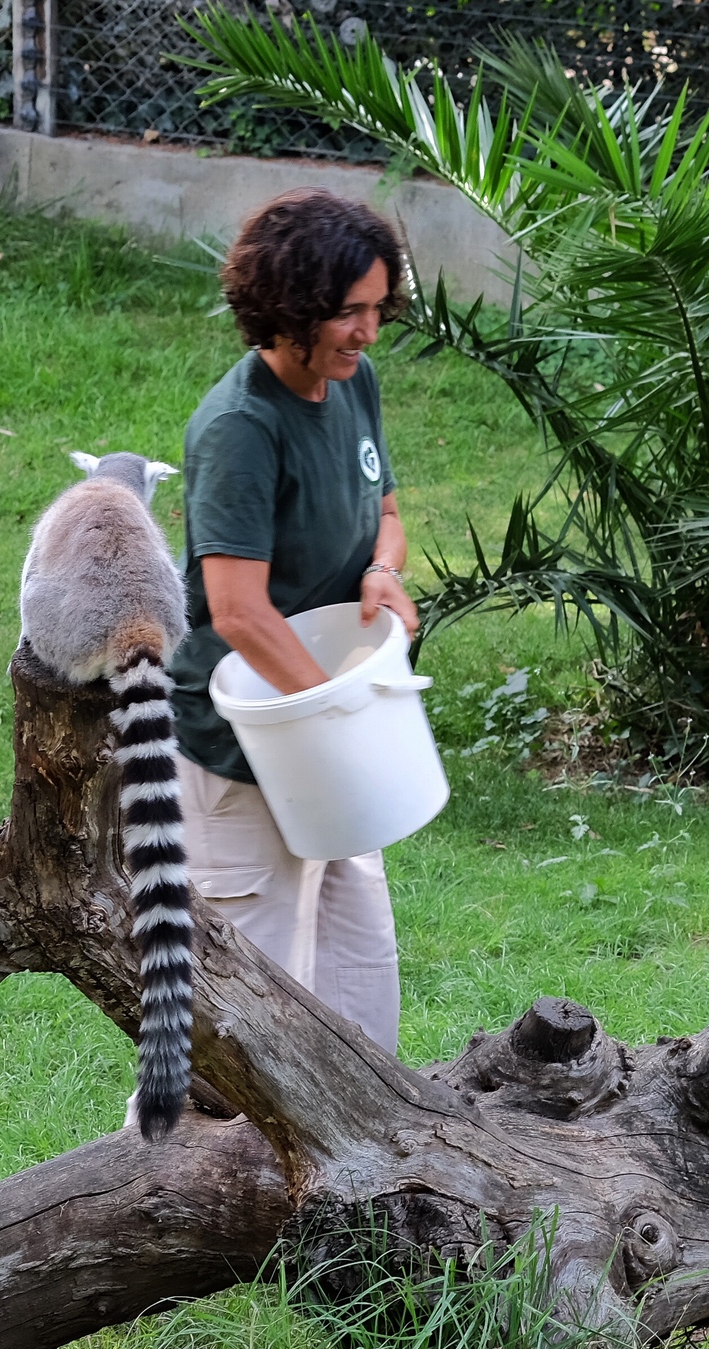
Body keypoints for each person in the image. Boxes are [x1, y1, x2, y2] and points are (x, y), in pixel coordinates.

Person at [168, 188, 419, 1054]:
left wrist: (384, 571)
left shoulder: (352, 384)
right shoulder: (240, 428)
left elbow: (383, 505)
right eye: (350, 312)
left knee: (360, 966)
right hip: (245, 742)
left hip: (326, 723)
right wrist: (335, 722)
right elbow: (239, 612)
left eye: (379, 309)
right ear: (289, 308)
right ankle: (177, 1178)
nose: (369, 332)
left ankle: (365, 1177)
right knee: (247, 1002)